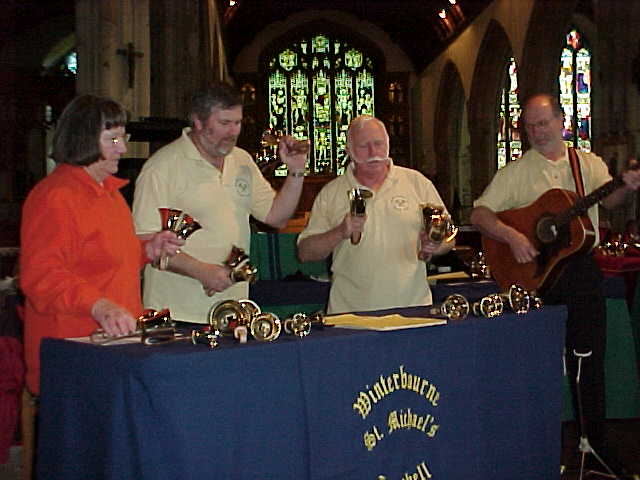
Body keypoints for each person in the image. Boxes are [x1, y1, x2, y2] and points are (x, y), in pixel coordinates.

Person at [470, 93, 640, 475]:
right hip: (535, 280)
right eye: (529, 125)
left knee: (589, 362)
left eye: (543, 123)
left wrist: (626, 186)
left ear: (561, 121)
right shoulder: (516, 171)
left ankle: (593, 444)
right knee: (534, 367)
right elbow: (480, 213)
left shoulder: (586, 163)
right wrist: (512, 237)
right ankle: (530, 447)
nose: (536, 132)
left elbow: (608, 200)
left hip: (580, 273)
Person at [20, 94, 183, 396]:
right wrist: (100, 305)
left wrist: (146, 250)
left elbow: (103, 259)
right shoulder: (55, 197)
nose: (122, 148)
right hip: (73, 350)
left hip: (113, 347)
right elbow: (41, 276)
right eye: (113, 139)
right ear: (84, 140)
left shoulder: (110, 194)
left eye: (123, 137)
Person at [133, 82, 308, 324]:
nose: (233, 132)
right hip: (177, 313)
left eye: (237, 122)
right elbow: (143, 242)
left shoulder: (242, 161)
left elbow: (276, 217)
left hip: (232, 311)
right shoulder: (161, 169)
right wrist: (201, 271)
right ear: (198, 121)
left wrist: (296, 172)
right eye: (224, 123)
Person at [297, 115, 454, 314]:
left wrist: (436, 244)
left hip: (413, 311)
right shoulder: (332, 192)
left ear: (388, 144)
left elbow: (449, 236)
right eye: (364, 146)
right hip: (350, 317)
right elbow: (305, 252)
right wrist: (340, 231)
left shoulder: (417, 183)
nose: (373, 153)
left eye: (378, 144)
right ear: (349, 150)